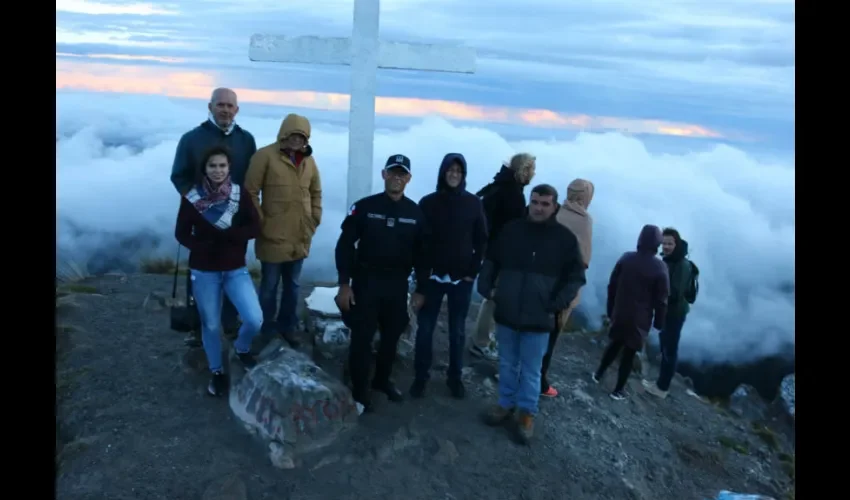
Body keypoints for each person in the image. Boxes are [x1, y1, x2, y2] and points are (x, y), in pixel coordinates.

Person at [477, 184, 586, 445]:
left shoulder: (565, 239)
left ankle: (526, 413)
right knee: (506, 363)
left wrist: (556, 303)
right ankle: (505, 404)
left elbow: (576, 277)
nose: (539, 207)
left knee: (531, 369)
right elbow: (492, 259)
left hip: (539, 317)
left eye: (545, 203)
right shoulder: (512, 230)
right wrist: (487, 287)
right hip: (507, 310)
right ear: (530, 202)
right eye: (535, 202)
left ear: (555, 206)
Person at [334, 154, 430, 413]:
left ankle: (382, 381)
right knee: (362, 339)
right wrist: (344, 284)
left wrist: (421, 289)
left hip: (397, 285)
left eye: (402, 173)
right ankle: (359, 391)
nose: (397, 177)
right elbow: (344, 246)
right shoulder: (364, 207)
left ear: (408, 178)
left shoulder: (415, 213)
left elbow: (423, 256)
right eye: (393, 172)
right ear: (384, 174)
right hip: (366, 283)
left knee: (391, 338)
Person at [174, 145, 263, 397]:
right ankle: (217, 371)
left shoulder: (239, 194)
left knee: (254, 319)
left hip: (235, 268)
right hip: (204, 270)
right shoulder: (191, 198)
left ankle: (241, 348)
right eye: (212, 165)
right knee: (211, 324)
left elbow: (254, 227)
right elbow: (181, 233)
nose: (217, 170)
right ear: (205, 168)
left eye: (222, 165)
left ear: (229, 168)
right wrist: (202, 246)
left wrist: (231, 236)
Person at [170, 88, 257, 344]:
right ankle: (199, 327)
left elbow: (250, 179)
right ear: (210, 107)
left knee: (233, 269)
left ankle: (229, 323)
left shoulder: (246, 140)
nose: (225, 110)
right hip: (202, 220)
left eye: (230, 106)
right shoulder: (191, 139)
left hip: (235, 219)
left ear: (237, 110)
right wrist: (198, 206)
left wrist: (248, 209)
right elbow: (179, 176)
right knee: (202, 269)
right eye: (220, 105)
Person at [410, 153, 487, 400]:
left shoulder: (474, 203)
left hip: (460, 279)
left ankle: (455, 378)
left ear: (463, 175)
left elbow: (482, 240)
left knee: (457, 331)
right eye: (450, 170)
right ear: (443, 173)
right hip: (431, 278)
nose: (454, 175)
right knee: (425, 329)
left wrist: (472, 272)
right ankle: (420, 377)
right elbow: (418, 243)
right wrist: (421, 276)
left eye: (458, 171)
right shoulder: (428, 202)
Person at [244, 113, 322, 348]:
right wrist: (261, 224)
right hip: (272, 237)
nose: (297, 140)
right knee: (268, 287)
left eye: (302, 136)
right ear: (284, 134)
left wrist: (314, 219)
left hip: (300, 236)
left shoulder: (309, 161)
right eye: (293, 135)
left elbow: (316, 191)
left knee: (293, 286)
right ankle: (265, 329)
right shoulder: (264, 156)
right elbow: (249, 192)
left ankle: (288, 327)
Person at [469, 153, 537, 361]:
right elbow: (512, 228)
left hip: (489, 250)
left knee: (491, 297)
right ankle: (480, 342)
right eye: (531, 169)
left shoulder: (499, 185)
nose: (533, 173)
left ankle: (480, 340)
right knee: (494, 298)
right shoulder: (513, 194)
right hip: (500, 253)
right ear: (523, 171)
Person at [593, 224, 669, 401]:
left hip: (620, 311)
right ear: (657, 244)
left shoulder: (626, 258)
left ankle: (598, 374)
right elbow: (662, 299)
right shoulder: (660, 267)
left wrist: (611, 309)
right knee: (629, 353)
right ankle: (617, 390)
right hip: (640, 318)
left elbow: (612, 286)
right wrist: (659, 322)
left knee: (614, 344)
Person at [540, 179, 595, 398]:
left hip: (541, 282)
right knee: (551, 336)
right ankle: (540, 382)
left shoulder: (555, 211)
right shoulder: (585, 220)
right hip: (564, 288)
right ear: (585, 197)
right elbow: (584, 258)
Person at [642, 228, 694, 399]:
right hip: (668, 312)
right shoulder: (670, 260)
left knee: (669, 350)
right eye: (664, 243)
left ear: (676, 244)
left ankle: (662, 388)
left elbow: (676, 292)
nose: (666, 246)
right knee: (666, 348)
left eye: (670, 243)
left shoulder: (682, 264)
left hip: (675, 314)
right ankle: (660, 384)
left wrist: (655, 295)